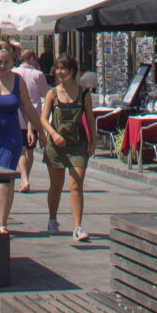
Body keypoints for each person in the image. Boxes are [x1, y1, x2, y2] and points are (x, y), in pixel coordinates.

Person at [0, 45, 57, 230]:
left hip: (9, 136)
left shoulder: (17, 80)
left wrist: (40, 131)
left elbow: (28, 107)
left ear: (13, 62)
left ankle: (2, 222)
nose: (3, 66)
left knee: (6, 177)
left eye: (7, 62)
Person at [39, 55, 92, 241]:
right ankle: (52, 218)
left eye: (64, 68)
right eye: (58, 68)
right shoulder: (52, 94)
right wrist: (53, 135)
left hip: (77, 144)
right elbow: (43, 119)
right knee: (56, 185)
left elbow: (90, 119)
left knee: (76, 184)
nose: (60, 72)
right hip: (56, 145)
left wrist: (93, 141)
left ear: (73, 71)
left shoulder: (84, 93)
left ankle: (77, 227)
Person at [10, 43, 49, 195]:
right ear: (32, 59)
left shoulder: (14, 73)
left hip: (18, 115)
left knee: (21, 149)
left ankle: (24, 178)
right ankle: (26, 178)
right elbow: (46, 93)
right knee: (30, 150)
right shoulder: (38, 75)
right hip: (33, 116)